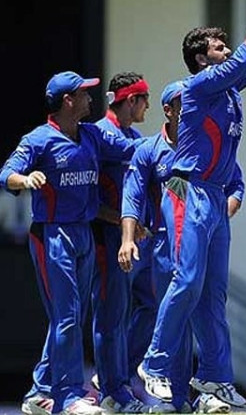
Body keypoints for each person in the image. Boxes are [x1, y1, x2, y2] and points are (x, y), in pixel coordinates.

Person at [136, 0, 246, 404]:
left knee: (214, 294)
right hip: (187, 189)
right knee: (187, 280)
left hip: (215, 195)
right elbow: (245, 57)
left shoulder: (228, 89)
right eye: (219, 47)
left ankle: (215, 378)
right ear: (202, 59)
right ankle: (155, 363)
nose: (226, 49)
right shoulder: (197, 85)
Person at [0, 71, 139, 415]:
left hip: (83, 233)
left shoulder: (91, 134)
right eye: (84, 94)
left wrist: (168, 142)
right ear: (68, 101)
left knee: (71, 316)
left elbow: (129, 148)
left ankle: (39, 392)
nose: (91, 99)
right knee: (67, 317)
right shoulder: (39, 139)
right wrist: (25, 179)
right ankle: (67, 397)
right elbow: (6, 174)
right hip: (53, 235)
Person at [118, 81, 245, 413]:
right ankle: (173, 400)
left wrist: (220, 213)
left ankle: (209, 392)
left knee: (209, 308)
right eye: (182, 103)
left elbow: (236, 184)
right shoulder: (149, 150)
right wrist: (128, 239)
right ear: (169, 110)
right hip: (162, 244)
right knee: (175, 315)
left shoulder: (206, 147)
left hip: (200, 235)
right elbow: (131, 196)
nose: (191, 108)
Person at [90, 71, 151, 414]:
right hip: (107, 237)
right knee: (110, 316)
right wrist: (121, 222)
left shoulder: (133, 135)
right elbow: (89, 197)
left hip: (133, 237)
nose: (147, 107)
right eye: (145, 99)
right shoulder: (100, 134)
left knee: (152, 303)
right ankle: (113, 390)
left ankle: (116, 376)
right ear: (131, 100)